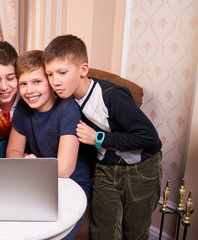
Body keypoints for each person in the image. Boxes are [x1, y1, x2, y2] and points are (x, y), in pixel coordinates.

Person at [43, 34, 162, 240]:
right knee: (102, 231)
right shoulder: (66, 102)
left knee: (135, 232)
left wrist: (98, 139)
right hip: (106, 169)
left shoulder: (111, 95)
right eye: (50, 74)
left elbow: (149, 138)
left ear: (83, 70)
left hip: (141, 169)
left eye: (62, 72)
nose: (55, 81)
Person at [6, 50, 92, 240]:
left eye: (37, 82)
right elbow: (13, 150)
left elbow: (64, 169)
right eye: (23, 84)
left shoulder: (67, 109)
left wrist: (32, 165)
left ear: (51, 82)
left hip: (72, 184)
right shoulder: (23, 107)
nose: (29, 91)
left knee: (53, 234)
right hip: (37, 178)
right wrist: (23, 161)